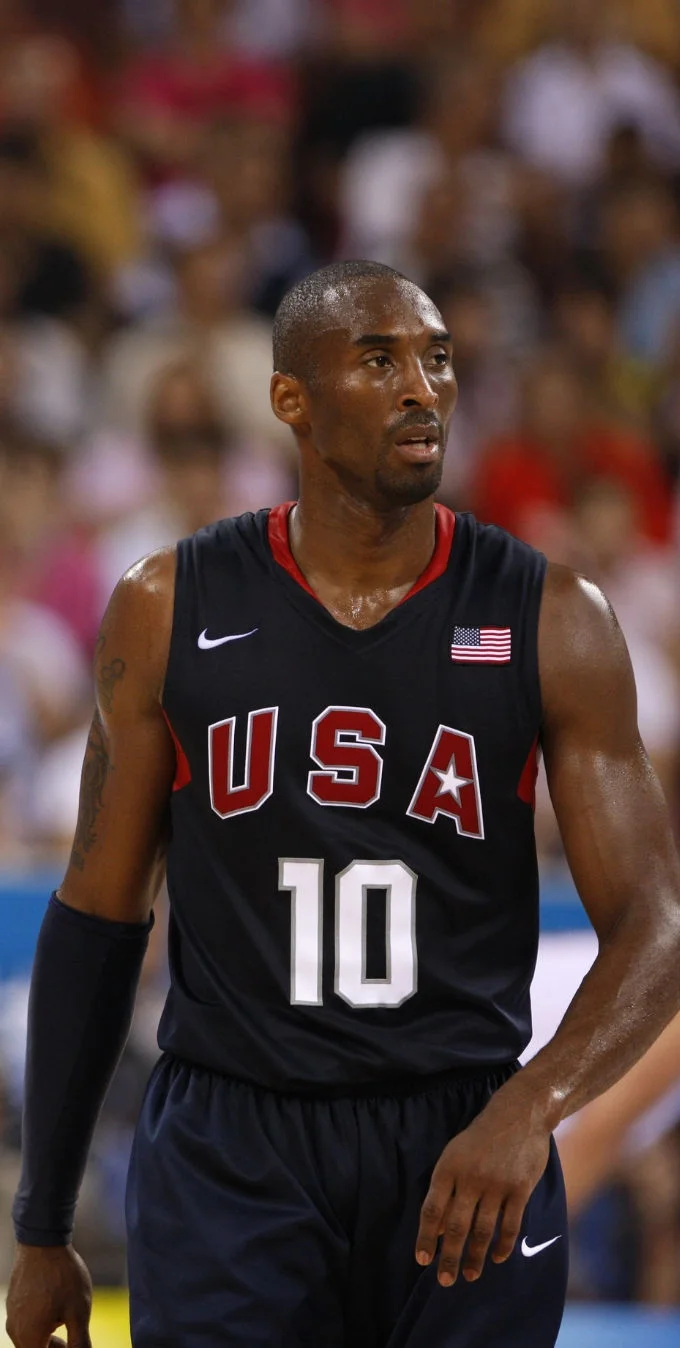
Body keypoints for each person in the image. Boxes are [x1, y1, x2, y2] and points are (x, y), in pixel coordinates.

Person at [6, 259, 680, 1348]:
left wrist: (531, 1106)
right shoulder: (167, 606)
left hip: (465, 1134)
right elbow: (95, 915)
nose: (422, 387)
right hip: (234, 1142)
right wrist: (41, 1224)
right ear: (291, 401)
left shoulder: (551, 616)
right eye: (379, 361)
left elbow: (655, 927)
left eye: (438, 359)